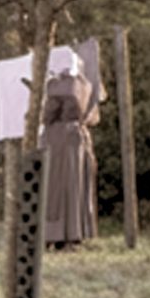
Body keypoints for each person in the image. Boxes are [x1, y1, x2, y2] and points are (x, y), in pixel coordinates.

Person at [41, 46, 101, 250]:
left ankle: (56, 234)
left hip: (59, 139)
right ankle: (75, 233)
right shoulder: (85, 84)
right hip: (80, 138)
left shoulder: (58, 86)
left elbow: (48, 115)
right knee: (75, 183)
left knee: (57, 185)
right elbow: (93, 115)